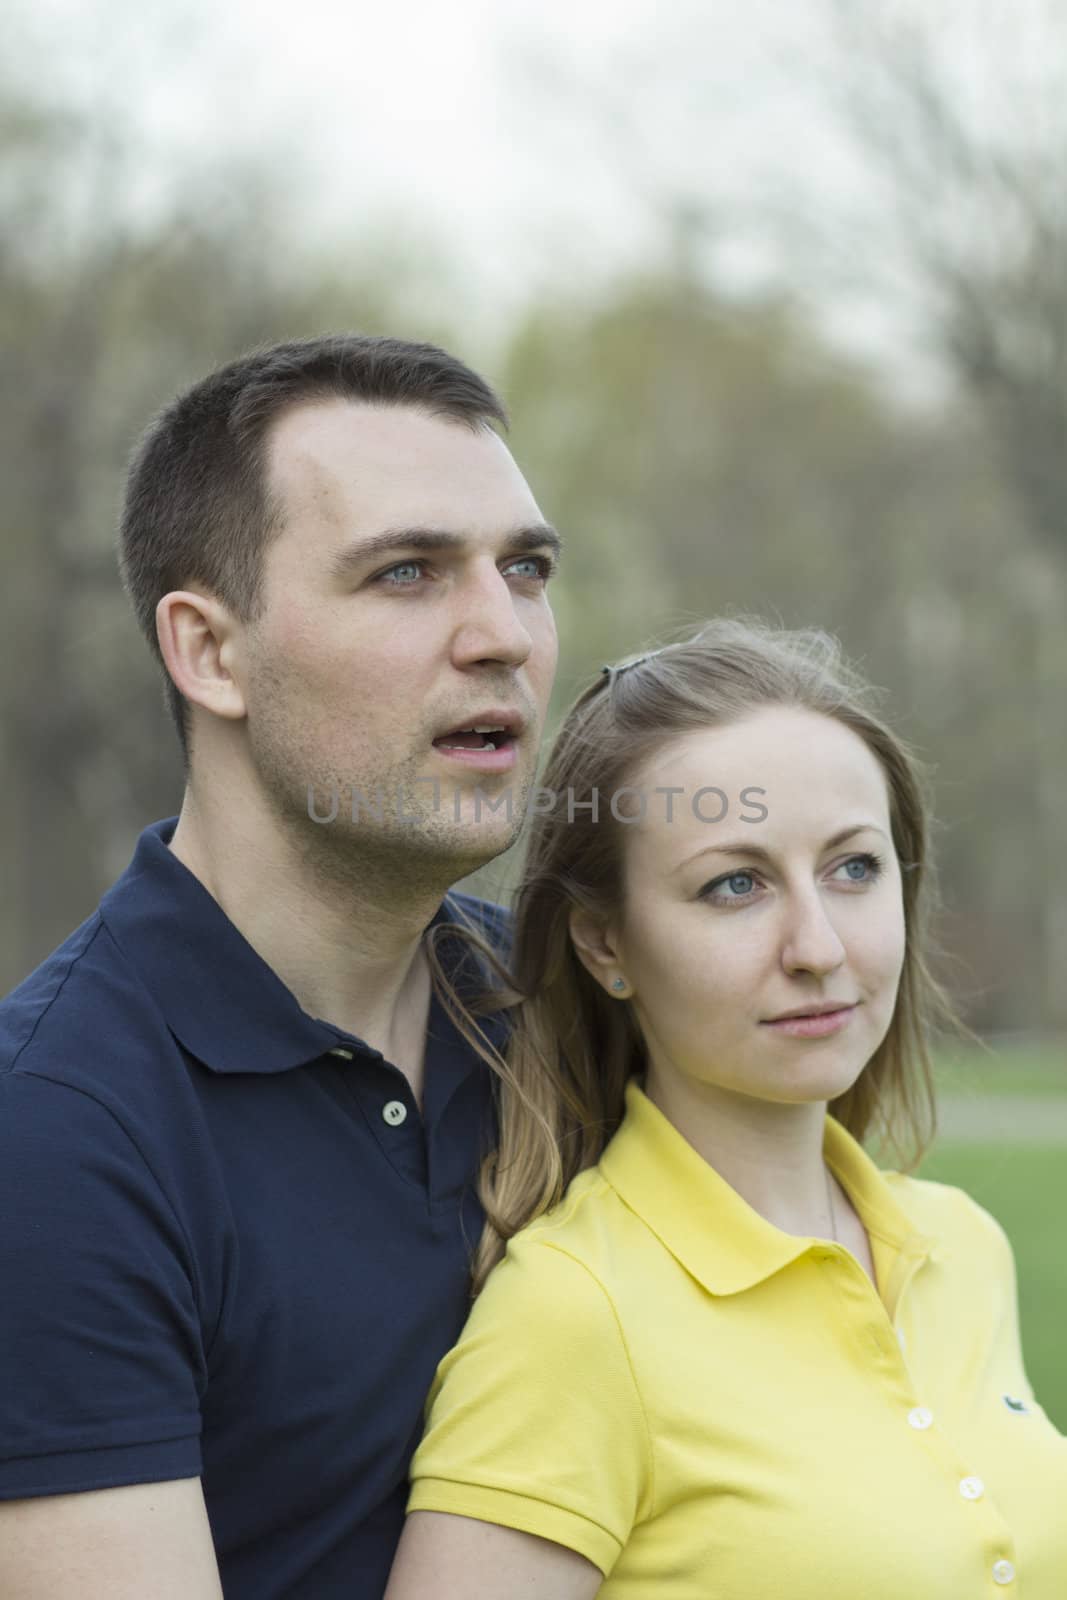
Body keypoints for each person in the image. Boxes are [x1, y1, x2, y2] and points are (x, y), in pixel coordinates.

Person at [0, 334, 560, 1598]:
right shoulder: (54, 1136)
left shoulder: (574, 1008)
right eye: (407, 572)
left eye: (523, 568)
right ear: (209, 651)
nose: (503, 635)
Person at [385, 618, 1067, 1600]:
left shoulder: (959, 1246)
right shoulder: (577, 1314)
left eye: (852, 867)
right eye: (734, 884)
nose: (818, 945)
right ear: (604, 944)